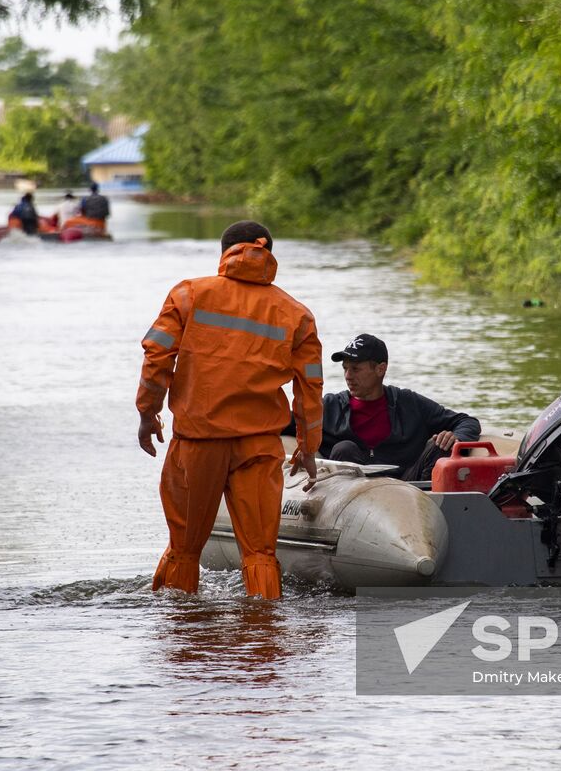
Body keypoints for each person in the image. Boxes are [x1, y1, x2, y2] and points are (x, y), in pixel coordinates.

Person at [137, 221, 324, 600]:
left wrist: (148, 413)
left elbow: (156, 357)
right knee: (260, 554)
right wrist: (307, 446)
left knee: (185, 551)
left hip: (197, 442)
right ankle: (265, 642)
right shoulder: (296, 314)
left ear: (223, 253)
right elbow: (310, 388)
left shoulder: (189, 294)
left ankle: (183, 633)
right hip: (258, 447)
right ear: (270, 252)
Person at [304, 333, 481, 484]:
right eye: (345, 369)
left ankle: (428, 511)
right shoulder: (329, 407)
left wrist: (456, 436)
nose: (348, 376)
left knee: (440, 445)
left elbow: (467, 421)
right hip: (354, 498)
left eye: (355, 369)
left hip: (409, 489)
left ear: (380, 369)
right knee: (344, 448)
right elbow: (286, 421)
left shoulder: (409, 403)